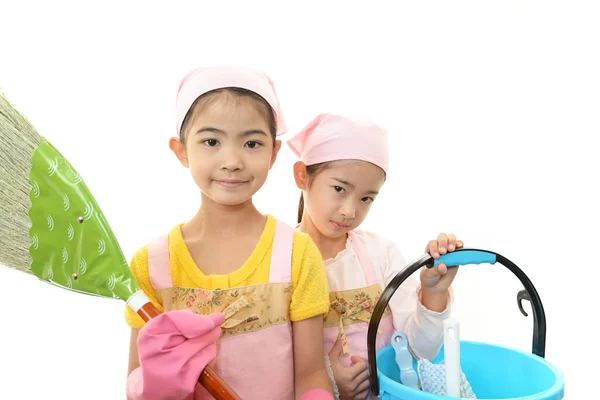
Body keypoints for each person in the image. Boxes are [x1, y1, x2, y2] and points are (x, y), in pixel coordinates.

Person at [125, 66, 334, 400]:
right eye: (211, 141)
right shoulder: (151, 264)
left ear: (273, 154)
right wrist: (151, 386)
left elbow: (310, 371)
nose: (232, 161)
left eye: (251, 143)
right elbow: (134, 379)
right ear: (181, 151)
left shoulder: (296, 253)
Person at [287, 113, 463, 399]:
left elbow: (422, 351)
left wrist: (433, 293)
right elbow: (271, 363)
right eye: (339, 189)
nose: (350, 211)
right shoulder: (281, 258)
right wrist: (330, 384)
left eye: (366, 198)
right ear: (302, 175)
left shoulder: (381, 253)